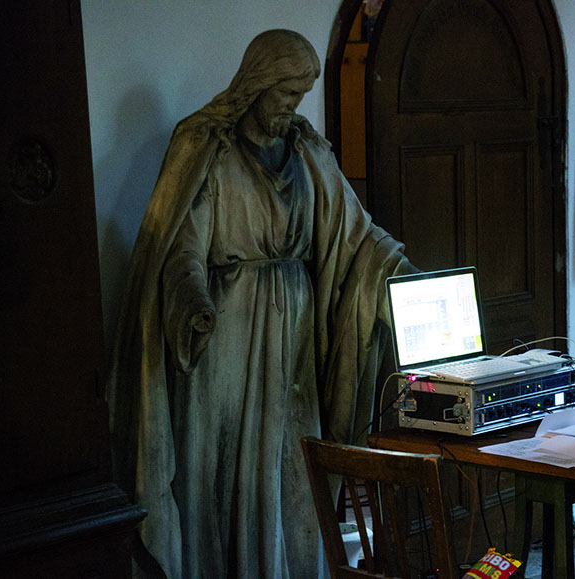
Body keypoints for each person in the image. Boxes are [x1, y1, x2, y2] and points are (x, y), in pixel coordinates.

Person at [107, 30, 415, 578]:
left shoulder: (308, 153)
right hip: (226, 338)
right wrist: (191, 302)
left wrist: (401, 275)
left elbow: (357, 236)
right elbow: (178, 245)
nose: (293, 108)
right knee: (224, 472)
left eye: (301, 97)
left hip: (294, 344)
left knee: (293, 472)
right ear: (257, 84)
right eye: (287, 95)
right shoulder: (207, 149)